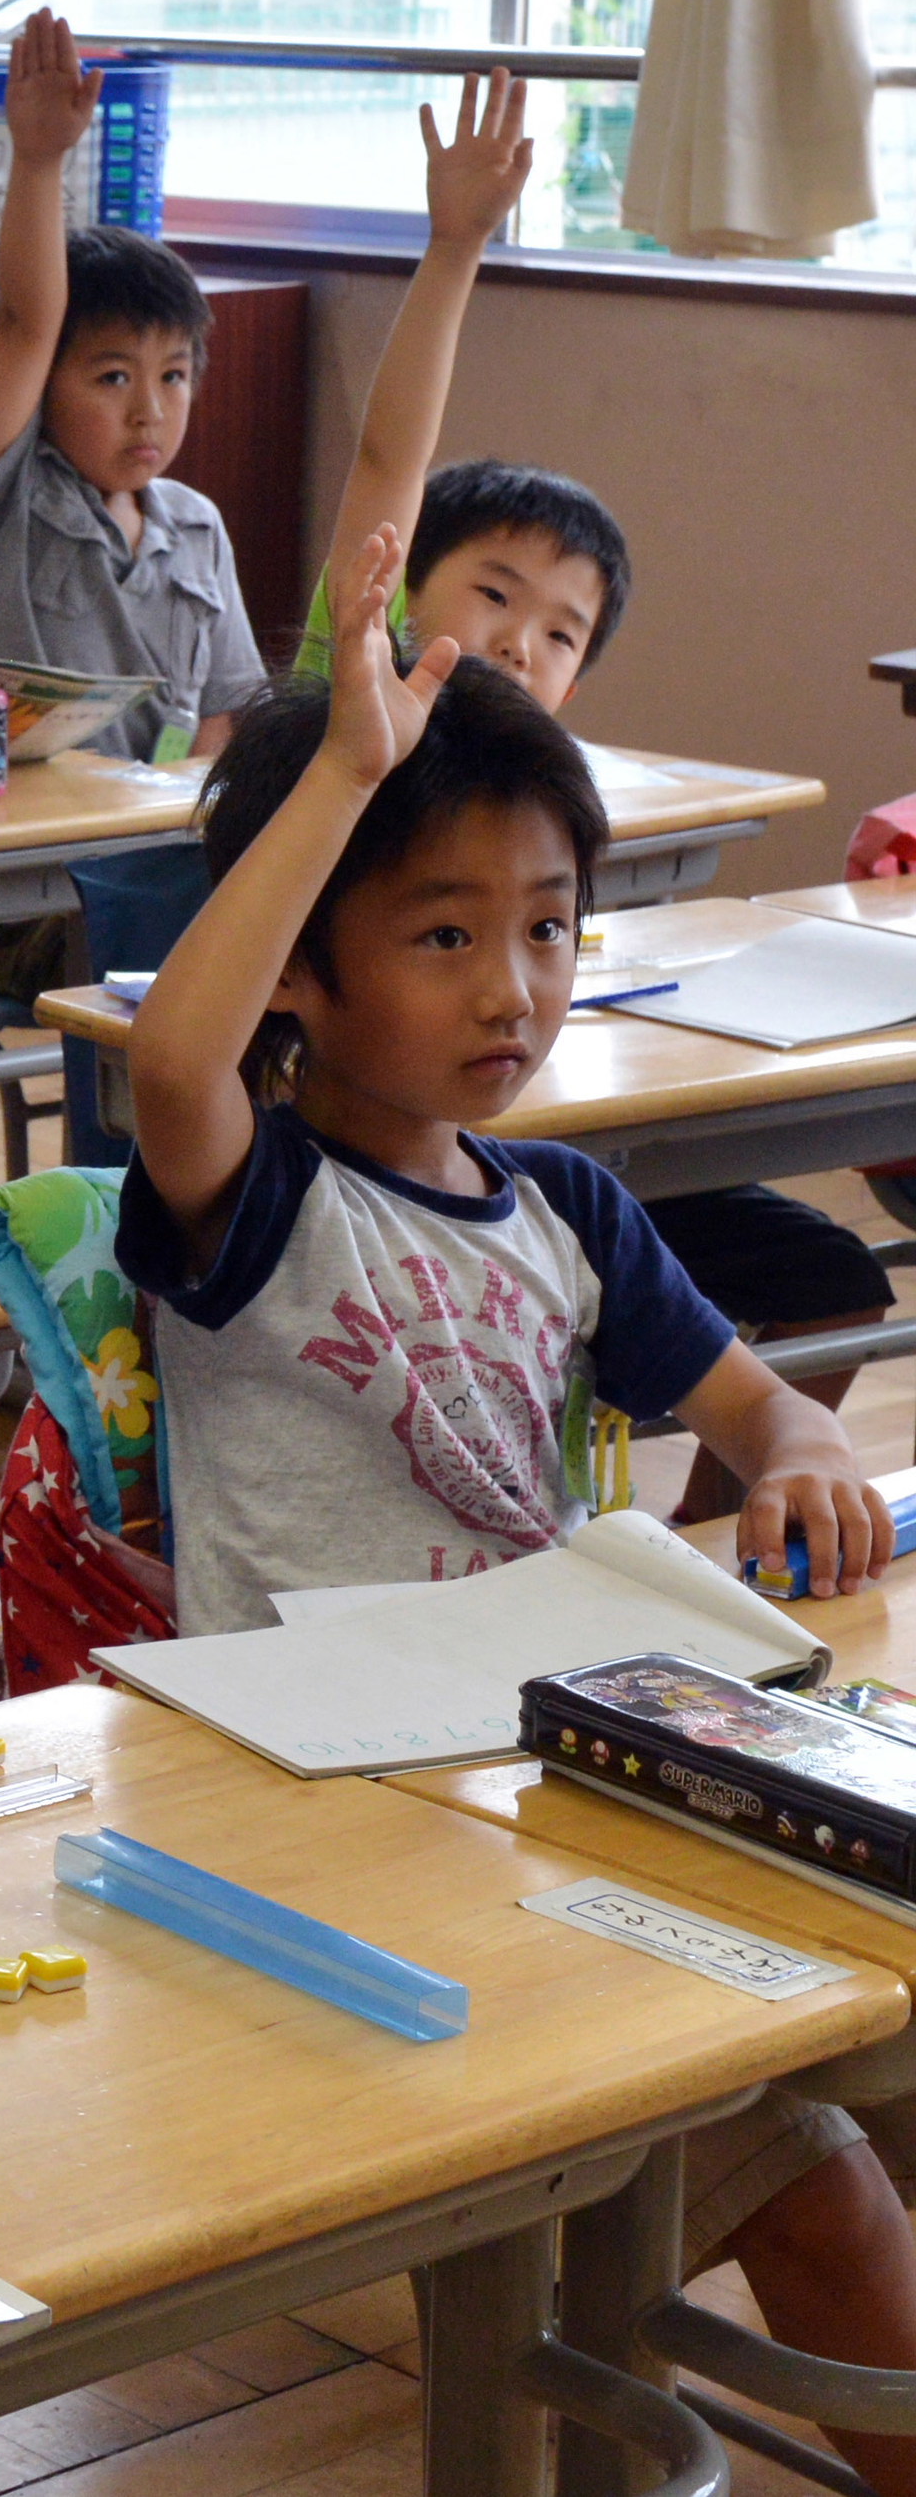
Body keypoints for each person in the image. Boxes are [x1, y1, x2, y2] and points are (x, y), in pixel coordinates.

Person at [122, 558, 916, 2491]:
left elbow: (754, 1399)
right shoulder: (259, 1208)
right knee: (824, 2206)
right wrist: (334, 784)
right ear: (301, 962)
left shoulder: (565, 1208)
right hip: (341, 1843)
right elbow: (169, 1060)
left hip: (554, 1788)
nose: (516, 989)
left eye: (550, 929)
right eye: (447, 934)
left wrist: (803, 1447)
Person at [278, 78, 893, 1518]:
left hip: (530, 1177)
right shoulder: (344, 706)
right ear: (398, 583)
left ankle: (697, 1554)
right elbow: (387, 464)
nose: (516, 640)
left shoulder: (543, 800)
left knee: (827, 1281)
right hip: (367, 1196)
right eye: (490, 593)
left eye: (560, 631)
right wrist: (455, 255)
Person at [0, 10, 262, 768]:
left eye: (174, 377)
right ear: (43, 383)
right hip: (21, 846)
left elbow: (226, 712)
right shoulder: (1, 495)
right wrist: (39, 161)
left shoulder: (199, 530)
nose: (149, 409)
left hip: (155, 837)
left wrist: (173, 818)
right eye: (113, 377)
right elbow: (24, 322)